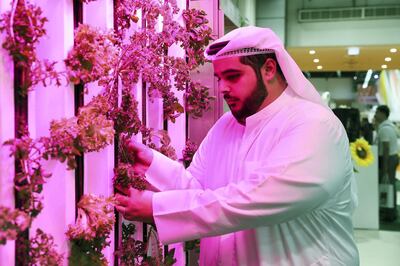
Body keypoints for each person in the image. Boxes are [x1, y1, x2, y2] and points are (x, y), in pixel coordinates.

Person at [115, 26, 359, 265]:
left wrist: (158, 208)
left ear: (269, 69)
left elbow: (255, 200)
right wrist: (154, 165)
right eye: (219, 78)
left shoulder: (315, 125)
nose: (222, 88)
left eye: (233, 76)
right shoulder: (226, 125)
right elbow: (199, 189)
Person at [374, 105, 399, 222]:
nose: (375, 114)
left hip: (388, 159)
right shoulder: (388, 126)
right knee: (390, 185)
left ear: (383, 113)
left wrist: (384, 169)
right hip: (391, 158)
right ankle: (390, 212)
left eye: (377, 112)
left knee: (388, 185)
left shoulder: (385, 129)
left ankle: (389, 214)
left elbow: (386, 149)